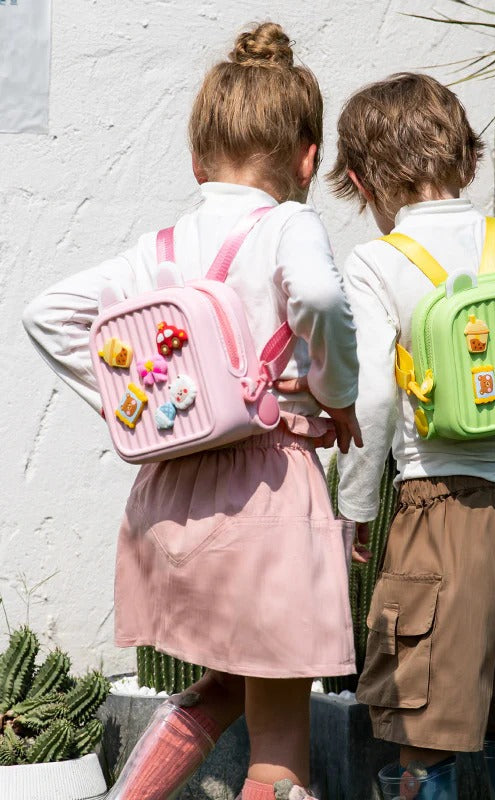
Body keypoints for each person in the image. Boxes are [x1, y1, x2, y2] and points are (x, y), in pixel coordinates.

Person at [22, 23, 361, 800]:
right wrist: (336, 394)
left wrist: (134, 405)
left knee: (221, 689)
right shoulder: (287, 224)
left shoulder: (161, 246)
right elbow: (314, 297)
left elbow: (49, 313)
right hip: (266, 494)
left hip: (176, 497)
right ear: (308, 158)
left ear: (197, 157)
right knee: (278, 754)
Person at [328, 72, 495, 797]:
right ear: (470, 160)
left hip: (440, 506)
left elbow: (377, 395)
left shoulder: (378, 261)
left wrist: (355, 506)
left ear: (360, 180)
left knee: (426, 724)